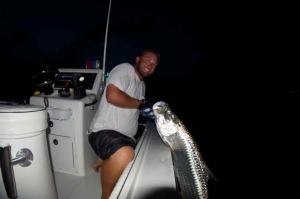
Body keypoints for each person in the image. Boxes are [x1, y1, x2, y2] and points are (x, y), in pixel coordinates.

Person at [88, 49, 160, 199]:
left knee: (144, 160)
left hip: (127, 136)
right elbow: (112, 96)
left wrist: (149, 110)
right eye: (147, 60)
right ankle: (106, 196)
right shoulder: (125, 69)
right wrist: (141, 105)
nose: (150, 65)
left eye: (154, 64)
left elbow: (134, 105)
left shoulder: (142, 86)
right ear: (138, 59)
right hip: (103, 131)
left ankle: (102, 160)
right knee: (125, 154)